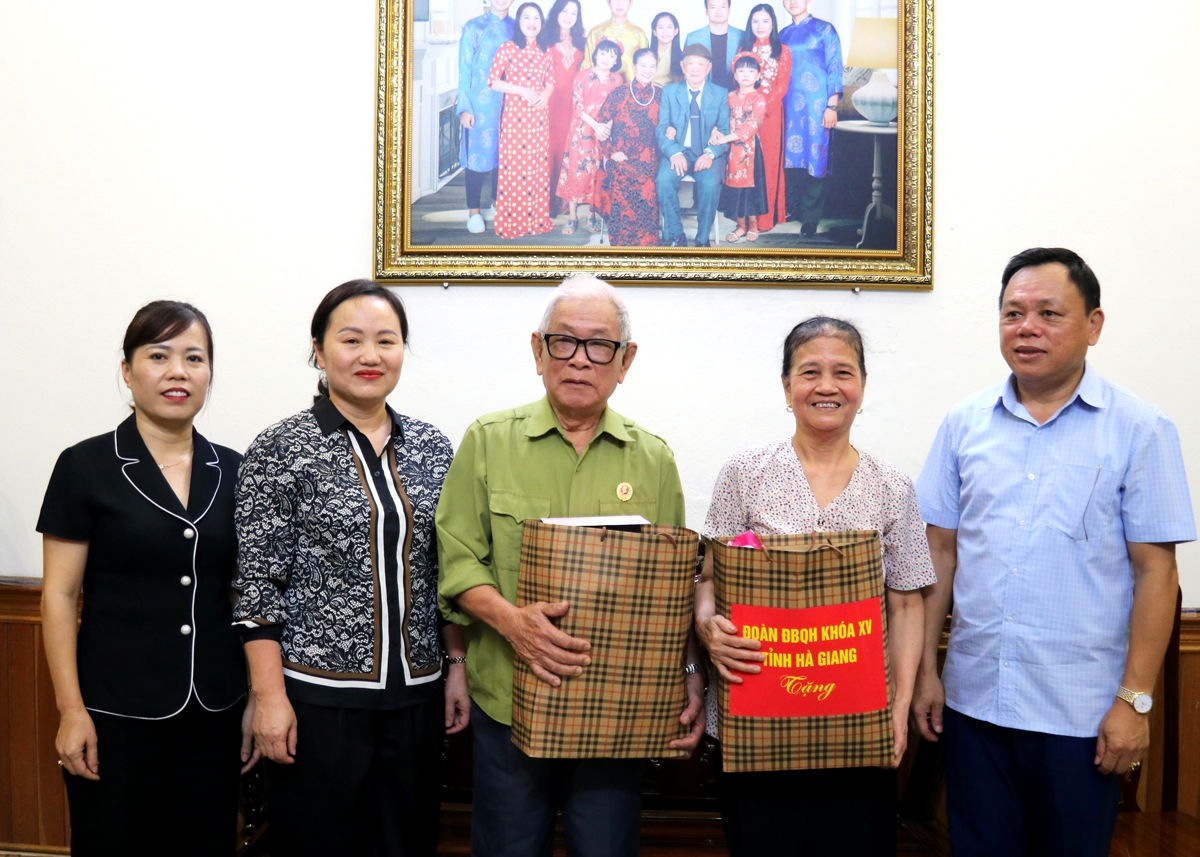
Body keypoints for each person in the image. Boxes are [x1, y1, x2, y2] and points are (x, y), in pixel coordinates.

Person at [911, 248, 1197, 857]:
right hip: (975, 703)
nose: (1028, 328)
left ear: (1093, 325)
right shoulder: (965, 424)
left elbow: (1156, 572)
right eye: (1013, 313)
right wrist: (927, 673)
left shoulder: (1141, 429)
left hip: (1082, 716)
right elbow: (939, 550)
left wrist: (1135, 702)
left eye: (1049, 313)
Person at [436, 274, 704, 857]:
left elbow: (676, 585)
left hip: (616, 715)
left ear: (625, 360)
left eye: (599, 345)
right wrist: (514, 624)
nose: (580, 360)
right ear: (538, 351)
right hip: (510, 700)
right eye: (564, 342)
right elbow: (457, 564)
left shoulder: (653, 458)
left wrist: (690, 677)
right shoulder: (487, 442)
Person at [234, 280, 470, 857]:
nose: (370, 356)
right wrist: (268, 698)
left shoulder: (431, 447)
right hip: (317, 702)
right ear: (318, 350)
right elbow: (256, 586)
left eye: (386, 341)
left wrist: (455, 666)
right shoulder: (281, 448)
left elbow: (447, 571)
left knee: (406, 843)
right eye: (351, 339)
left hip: (416, 696)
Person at [696, 317, 932, 857]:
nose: (827, 386)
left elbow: (907, 602)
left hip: (857, 722)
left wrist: (896, 714)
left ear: (863, 388)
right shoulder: (744, 473)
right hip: (758, 714)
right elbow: (707, 579)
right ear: (786, 388)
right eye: (810, 372)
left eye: (843, 372)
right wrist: (709, 628)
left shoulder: (892, 486)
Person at [38, 301, 253, 856]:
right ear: (129, 370)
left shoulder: (235, 469)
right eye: (159, 355)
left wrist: (254, 696)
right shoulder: (84, 466)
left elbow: (244, 593)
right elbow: (59, 596)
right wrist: (70, 712)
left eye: (194, 357)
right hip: (114, 710)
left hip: (215, 707)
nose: (178, 371)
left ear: (209, 373)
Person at [489, 3, 556, 240]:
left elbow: (551, 82)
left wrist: (545, 95)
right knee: (514, 168)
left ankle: (536, 220)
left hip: (538, 118)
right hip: (515, 119)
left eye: (536, 18)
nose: (531, 22)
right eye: (526, 17)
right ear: (519, 22)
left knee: (537, 168)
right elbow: (493, 82)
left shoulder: (545, 51)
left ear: (541, 23)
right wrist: (522, 91)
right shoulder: (507, 48)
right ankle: (513, 223)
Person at [656, 44, 730, 247]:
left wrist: (710, 153)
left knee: (710, 183)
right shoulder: (670, 92)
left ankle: (702, 238)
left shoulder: (720, 93)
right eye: (691, 64)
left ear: (708, 68)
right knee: (663, 179)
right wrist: (673, 152)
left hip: (707, 153)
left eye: (700, 64)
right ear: (682, 66)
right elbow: (661, 127)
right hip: (679, 150)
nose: (695, 69)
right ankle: (674, 235)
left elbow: (724, 130)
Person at [778, 0, 841, 237]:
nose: (793, 2)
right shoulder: (782, 34)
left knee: (816, 157)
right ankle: (792, 209)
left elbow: (834, 67)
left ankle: (810, 218)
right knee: (790, 158)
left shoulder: (825, 29)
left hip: (816, 107)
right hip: (786, 106)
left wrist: (831, 106)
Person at [457, 0, 515, 234]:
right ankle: (474, 212)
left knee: (506, 155)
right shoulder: (473, 27)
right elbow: (464, 68)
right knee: (478, 159)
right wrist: (465, 108)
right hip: (479, 105)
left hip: (511, 103)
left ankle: (498, 202)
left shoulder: (518, 27)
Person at [556, 40, 624, 235]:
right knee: (577, 173)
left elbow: (618, 107)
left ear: (616, 60)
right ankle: (572, 217)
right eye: (603, 54)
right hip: (582, 131)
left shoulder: (617, 80)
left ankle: (591, 216)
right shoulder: (582, 75)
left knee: (596, 173)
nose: (606, 59)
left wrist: (607, 127)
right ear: (595, 55)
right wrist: (595, 126)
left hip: (604, 133)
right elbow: (578, 106)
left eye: (611, 56)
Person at [733, 4, 790, 231]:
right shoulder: (743, 48)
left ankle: (765, 219)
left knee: (767, 164)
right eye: (755, 21)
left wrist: (762, 107)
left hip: (770, 115)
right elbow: (737, 80)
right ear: (750, 24)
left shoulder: (782, 50)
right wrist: (747, 110)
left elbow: (782, 85)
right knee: (746, 165)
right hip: (745, 114)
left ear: (773, 24)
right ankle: (745, 219)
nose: (760, 26)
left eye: (765, 21)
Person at [597, 48, 663, 247]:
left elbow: (671, 124)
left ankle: (646, 247)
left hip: (649, 159)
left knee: (648, 185)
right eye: (643, 65)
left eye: (652, 66)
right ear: (634, 67)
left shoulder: (660, 94)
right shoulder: (620, 93)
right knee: (622, 182)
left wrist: (671, 132)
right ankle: (621, 246)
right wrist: (611, 152)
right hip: (621, 156)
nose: (648, 70)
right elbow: (600, 127)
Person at [538, 0, 585, 218]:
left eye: (573, 12)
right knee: (548, 150)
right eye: (565, 10)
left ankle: (563, 202)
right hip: (547, 103)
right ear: (556, 12)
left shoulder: (582, 42)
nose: (568, 16)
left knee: (566, 150)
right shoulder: (542, 37)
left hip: (571, 106)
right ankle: (543, 202)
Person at [713, 55, 768, 243]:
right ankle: (740, 226)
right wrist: (715, 131)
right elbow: (718, 118)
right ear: (735, 75)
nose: (746, 75)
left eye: (751, 71)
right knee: (734, 189)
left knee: (749, 190)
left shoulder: (759, 99)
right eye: (741, 71)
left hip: (750, 151)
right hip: (729, 151)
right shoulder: (728, 97)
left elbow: (752, 125)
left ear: (758, 75)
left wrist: (726, 138)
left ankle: (753, 225)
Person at [581, 0, 647, 84]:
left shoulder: (639, 34)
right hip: (599, 90)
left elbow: (645, 67)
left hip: (631, 90)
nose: (619, 3)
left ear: (631, 2)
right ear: (608, 2)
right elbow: (587, 65)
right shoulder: (596, 32)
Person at [684, 0, 744, 92]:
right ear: (706, 11)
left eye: (722, 6)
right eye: (713, 7)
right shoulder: (693, 38)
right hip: (703, 97)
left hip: (736, 96)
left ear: (729, 9)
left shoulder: (741, 36)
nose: (718, 11)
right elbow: (686, 73)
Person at [650, 11, 684, 87]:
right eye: (661, 27)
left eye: (669, 27)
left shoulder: (682, 57)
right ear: (654, 32)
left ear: (676, 31)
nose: (665, 31)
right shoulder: (647, 56)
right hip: (649, 95)